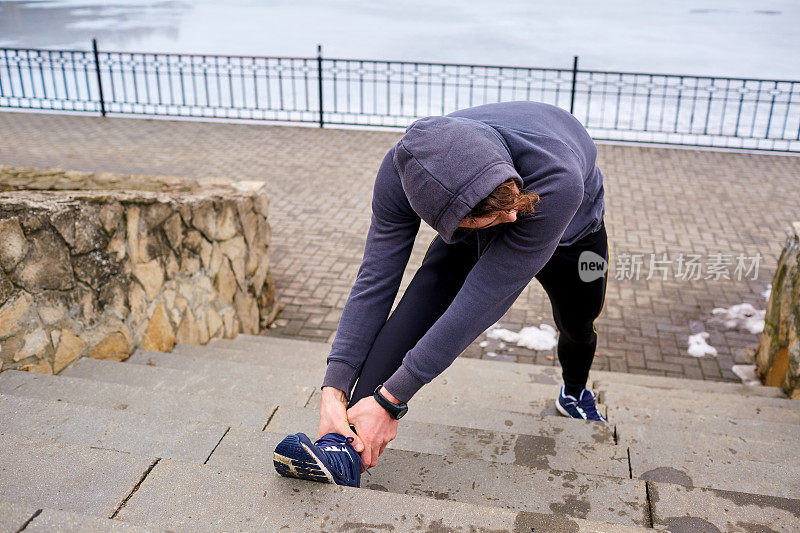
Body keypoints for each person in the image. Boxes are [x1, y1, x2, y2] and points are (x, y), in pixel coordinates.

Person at [273, 100, 608, 488]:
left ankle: (574, 392)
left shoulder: (555, 180)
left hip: (574, 235)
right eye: (496, 218)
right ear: (450, 219)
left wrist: (391, 401)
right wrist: (334, 386)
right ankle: (342, 447)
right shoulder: (405, 168)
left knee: (579, 321)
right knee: (422, 302)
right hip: (474, 211)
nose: (512, 221)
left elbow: (481, 301)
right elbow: (376, 279)